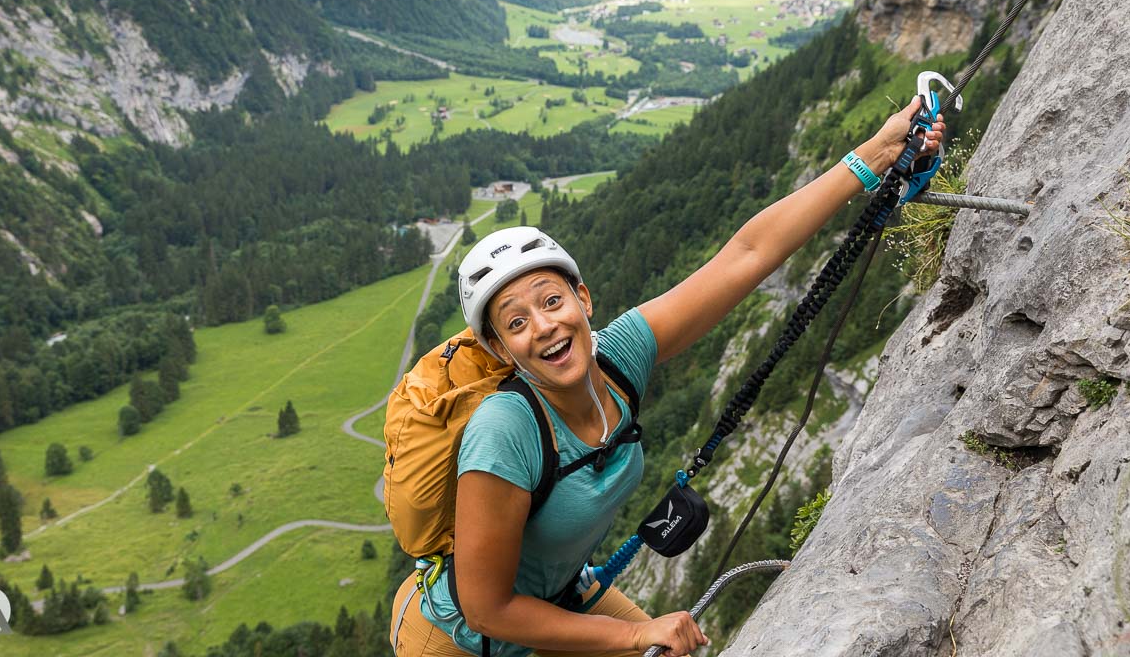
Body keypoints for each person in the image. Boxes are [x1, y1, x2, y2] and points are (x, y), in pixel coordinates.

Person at [391, 97, 945, 657]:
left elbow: (747, 255)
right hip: (457, 640)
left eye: (551, 299)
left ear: (583, 299)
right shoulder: (504, 433)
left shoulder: (620, 355)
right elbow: (489, 608)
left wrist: (875, 155)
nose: (543, 326)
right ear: (502, 349)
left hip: (560, 598)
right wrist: (634, 633)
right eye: (515, 322)